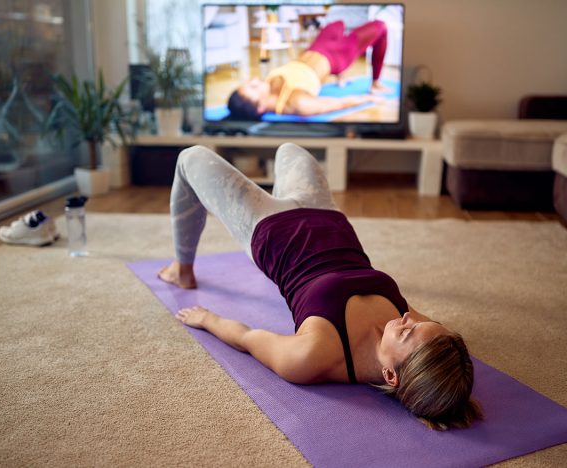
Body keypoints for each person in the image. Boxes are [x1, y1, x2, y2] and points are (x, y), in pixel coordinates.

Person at [159, 143, 484, 430]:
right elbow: (432, 347)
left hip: (269, 227)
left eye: (406, 332)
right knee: (290, 150)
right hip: (327, 215)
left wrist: (206, 319)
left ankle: (181, 269)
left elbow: (247, 338)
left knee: (190, 158)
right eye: (426, 324)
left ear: (390, 376)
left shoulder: (312, 357)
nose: (409, 319)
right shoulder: (416, 338)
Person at [227, 19, 393, 120]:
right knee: (381, 27)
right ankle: (375, 82)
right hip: (336, 57)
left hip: (315, 48)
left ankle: (341, 76)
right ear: (260, 107)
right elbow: (341, 103)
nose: (255, 80)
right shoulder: (298, 103)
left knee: (337, 24)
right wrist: (369, 99)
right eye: (253, 87)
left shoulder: (269, 87)